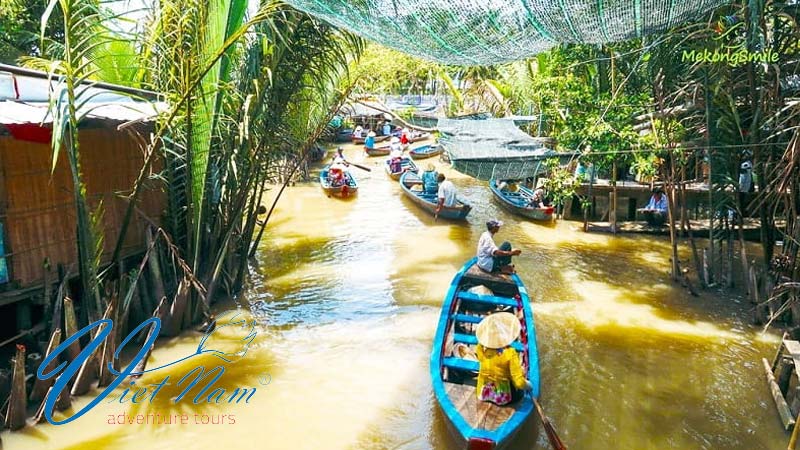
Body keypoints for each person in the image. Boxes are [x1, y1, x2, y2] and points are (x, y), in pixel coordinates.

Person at [475, 312, 533, 405]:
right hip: (502, 398)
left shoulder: (480, 348)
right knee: (520, 385)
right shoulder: (510, 353)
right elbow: (519, 383)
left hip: (483, 393)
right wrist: (529, 386)